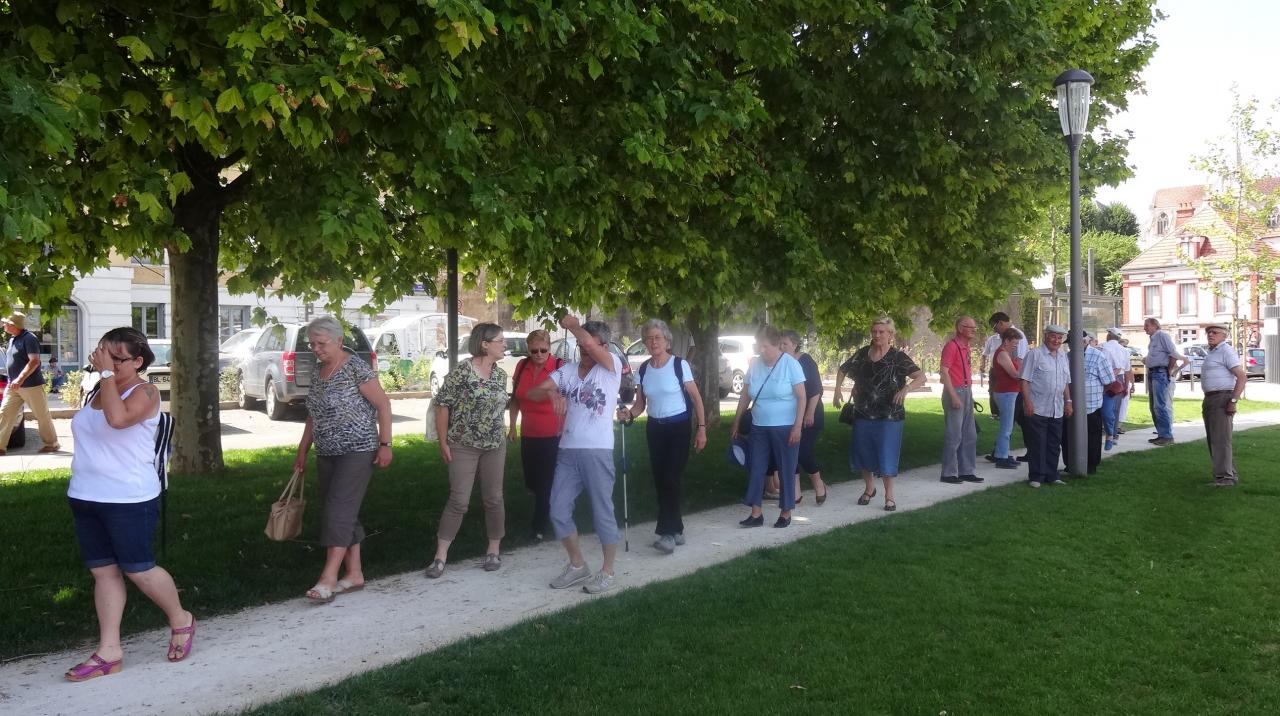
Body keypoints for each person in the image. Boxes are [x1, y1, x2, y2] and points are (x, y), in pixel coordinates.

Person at [63, 327, 194, 681]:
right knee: (103, 571)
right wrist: (104, 377)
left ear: (137, 361)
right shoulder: (95, 388)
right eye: (103, 353)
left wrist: (106, 375)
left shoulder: (146, 392)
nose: (106, 362)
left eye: (116, 358)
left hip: (129, 498)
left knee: (138, 569)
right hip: (86, 495)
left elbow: (118, 419)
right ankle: (109, 651)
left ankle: (181, 619)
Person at [292, 316, 394, 603]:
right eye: (312, 344)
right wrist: (302, 450)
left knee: (338, 510)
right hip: (326, 451)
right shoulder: (318, 370)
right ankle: (355, 574)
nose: (316, 348)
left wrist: (385, 444)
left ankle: (328, 578)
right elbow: (313, 414)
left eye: (321, 343)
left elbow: (383, 405)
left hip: (358, 450)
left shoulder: (356, 369)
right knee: (343, 511)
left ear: (338, 340)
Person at [527, 316, 624, 594]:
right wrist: (549, 395)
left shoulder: (610, 367)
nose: (585, 349)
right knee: (557, 509)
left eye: (591, 345)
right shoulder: (567, 371)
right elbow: (532, 393)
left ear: (604, 346)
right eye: (582, 346)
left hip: (597, 450)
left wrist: (571, 325)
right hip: (568, 451)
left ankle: (608, 571)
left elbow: (588, 343)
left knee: (602, 511)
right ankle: (578, 565)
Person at [425, 322, 511, 578]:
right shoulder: (462, 372)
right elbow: (442, 405)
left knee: (494, 498)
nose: (505, 344)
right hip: (463, 444)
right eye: (501, 340)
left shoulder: (500, 374)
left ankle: (493, 549)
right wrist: (443, 442)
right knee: (458, 500)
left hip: (495, 444)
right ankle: (440, 557)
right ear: (485, 344)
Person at [618, 319, 707, 554]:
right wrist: (628, 414)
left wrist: (702, 428)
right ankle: (676, 528)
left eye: (657, 337)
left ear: (667, 340)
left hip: (679, 428)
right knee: (662, 480)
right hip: (655, 429)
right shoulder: (644, 369)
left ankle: (666, 534)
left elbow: (697, 399)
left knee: (670, 477)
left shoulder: (679, 365)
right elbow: (640, 405)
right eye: (649, 338)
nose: (653, 341)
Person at [833, 316, 926, 511]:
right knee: (864, 452)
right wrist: (837, 389)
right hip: (863, 412)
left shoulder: (897, 357)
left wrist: (906, 389)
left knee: (886, 454)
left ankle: (889, 496)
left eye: (881, 332)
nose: (877, 335)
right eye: (874, 331)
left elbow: (921, 377)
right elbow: (843, 369)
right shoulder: (862, 354)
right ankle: (869, 489)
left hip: (890, 415)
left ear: (890, 335)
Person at [731, 326, 806, 528]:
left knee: (785, 469)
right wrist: (737, 421)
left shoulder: (790, 364)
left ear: (777, 345)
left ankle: (786, 511)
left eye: (766, 346)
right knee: (757, 467)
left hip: (785, 427)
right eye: (759, 346)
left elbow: (802, 397)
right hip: (759, 426)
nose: (762, 350)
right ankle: (756, 513)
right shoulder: (755, 364)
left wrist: (797, 426)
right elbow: (745, 395)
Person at [508, 328, 565, 542]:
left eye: (543, 350)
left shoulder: (560, 367)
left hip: (553, 435)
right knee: (531, 482)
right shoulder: (522, 366)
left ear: (550, 348)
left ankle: (539, 527)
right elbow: (515, 399)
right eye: (534, 351)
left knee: (544, 483)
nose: (539, 354)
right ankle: (548, 509)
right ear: (528, 351)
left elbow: (570, 400)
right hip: (529, 433)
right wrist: (512, 426)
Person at [0, 311, 60, 455]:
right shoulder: (12, 339)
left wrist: (19, 379)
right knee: (4, 413)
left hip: (30, 385)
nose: (3, 326)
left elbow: (34, 361)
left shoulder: (29, 338)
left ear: (14, 325)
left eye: (6, 323)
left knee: (41, 415)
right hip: (13, 385)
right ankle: (0, 447)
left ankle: (52, 444)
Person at [779, 329, 828, 504]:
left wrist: (809, 413)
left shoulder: (805, 361)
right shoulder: (781, 363)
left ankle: (818, 484)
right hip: (788, 415)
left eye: (785, 343)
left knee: (803, 451)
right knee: (791, 451)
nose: (781, 347)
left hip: (810, 415)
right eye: (780, 344)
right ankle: (795, 492)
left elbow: (816, 390)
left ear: (794, 345)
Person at [1020, 324, 1072, 487]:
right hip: (1038, 407)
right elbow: (1025, 380)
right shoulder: (1035, 354)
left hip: (1056, 408)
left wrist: (1068, 402)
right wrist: (1027, 402)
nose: (1056, 340)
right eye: (1053, 337)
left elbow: (1065, 382)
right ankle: (1036, 476)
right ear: (1045, 337)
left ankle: (1052, 475)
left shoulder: (1063, 356)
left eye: (1059, 338)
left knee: (1054, 443)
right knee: (1037, 443)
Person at [1200, 323, 1247, 486]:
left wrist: (1233, 400)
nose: (1210, 335)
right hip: (1211, 398)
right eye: (1208, 333)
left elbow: (1241, 376)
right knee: (1216, 438)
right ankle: (1229, 474)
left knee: (1220, 439)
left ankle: (1225, 478)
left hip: (1222, 398)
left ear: (1224, 336)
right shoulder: (1213, 352)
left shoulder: (1226, 351)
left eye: (1214, 332)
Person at [1062, 333, 1115, 475]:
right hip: (1070, 406)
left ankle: (1091, 465)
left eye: (1072, 343)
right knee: (1068, 437)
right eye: (1069, 343)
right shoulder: (1068, 356)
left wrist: (1097, 394)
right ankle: (1070, 464)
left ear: (1084, 341)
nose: (1070, 346)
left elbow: (1109, 381)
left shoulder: (1098, 356)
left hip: (1091, 406)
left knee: (1092, 437)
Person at [939, 316, 981, 484]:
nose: (973, 330)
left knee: (970, 434)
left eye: (974, 327)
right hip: (955, 391)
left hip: (966, 391)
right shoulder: (952, 346)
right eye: (970, 327)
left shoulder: (966, 347)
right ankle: (948, 473)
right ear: (960, 328)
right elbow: (944, 372)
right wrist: (954, 395)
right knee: (954, 435)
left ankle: (966, 470)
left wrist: (968, 394)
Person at [1142, 318, 1187, 446]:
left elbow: (1173, 353)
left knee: (1159, 406)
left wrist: (1170, 369)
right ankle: (1161, 434)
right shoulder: (1153, 339)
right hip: (1153, 373)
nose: (1144, 328)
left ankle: (1167, 436)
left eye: (1147, 325)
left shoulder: (1162, 335)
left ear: (1155, 326)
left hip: (1159, 374)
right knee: (1153, 406)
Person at [979, 312, 1028, 418]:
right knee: (1009, 420)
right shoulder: (1000, 340)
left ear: (1000, 323)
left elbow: (1019, 361)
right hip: (1006, 380)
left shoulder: (1016, 335)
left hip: (1013, 384)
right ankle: (996, 413)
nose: (994, 330)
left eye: (994, 327)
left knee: (1012, 419)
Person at [989, 328, 1024, 469]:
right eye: (1014, 343)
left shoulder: (1006, 353)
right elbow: (1014, 374)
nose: (1016, 346)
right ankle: (1002, 458)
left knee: (1007, 426)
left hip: (1008, 392)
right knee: (1006, 427)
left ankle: (1001, 453)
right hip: (1006, 393)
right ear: (1007, 340)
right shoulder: (1002, 354)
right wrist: (1026, 372)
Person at [1099, 328, 1134, 450]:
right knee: (1115, 410)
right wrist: (1127, 385)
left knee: (1104, 408)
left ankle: (1108, 434)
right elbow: (1127, 369)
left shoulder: (1103, 347)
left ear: (1109, 336)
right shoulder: (1124, 351)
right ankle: (1113, 436)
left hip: (1105, 378)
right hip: (1120, 378)